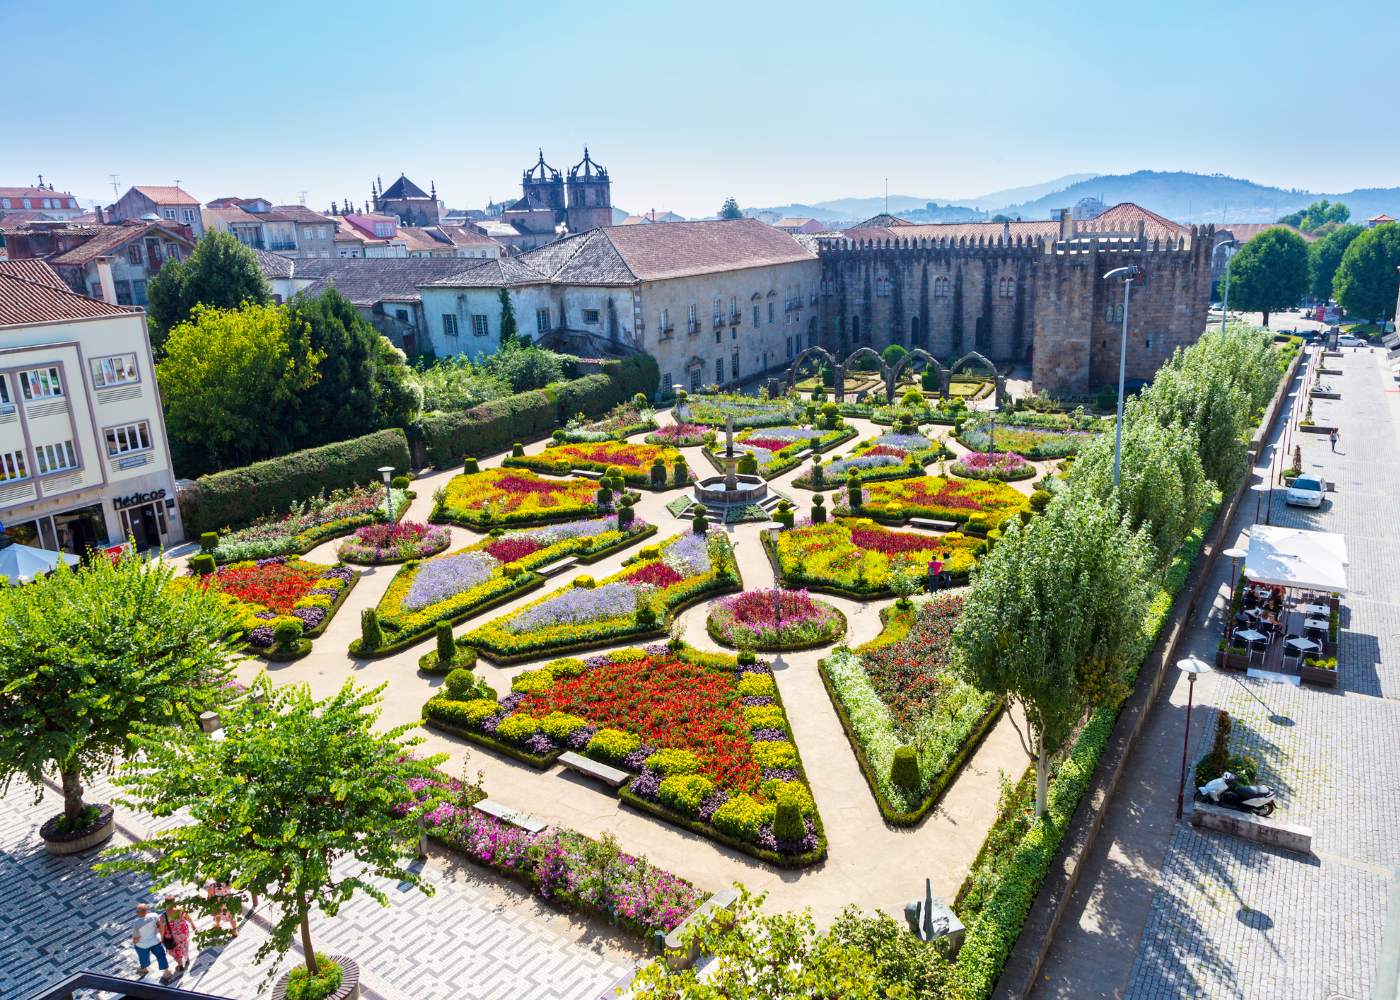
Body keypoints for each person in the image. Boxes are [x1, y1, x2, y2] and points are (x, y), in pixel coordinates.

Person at [131, 902, 172, 982]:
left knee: (143, 956)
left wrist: (134, 942)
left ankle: (144, 969)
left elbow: (136, 937)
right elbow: (159, 926)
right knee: (161, 956)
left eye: (137, 911)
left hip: (143, 945)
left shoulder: (136, 923)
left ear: (138, 913)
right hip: (155, 941)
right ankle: (166, 973)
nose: (136, 912)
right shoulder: (154, 915)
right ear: (147, 910)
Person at [161, 896, 196, 974]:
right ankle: (187, 958)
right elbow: (188, 918)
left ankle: (180, 964)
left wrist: (162, 939)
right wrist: (192, 925)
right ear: (174, 902)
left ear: (165, 903)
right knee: (185, 945)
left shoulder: (163, 916)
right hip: (183, 933)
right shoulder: (180, 910)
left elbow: (162, 929)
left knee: (175, 950)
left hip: (173, 937)